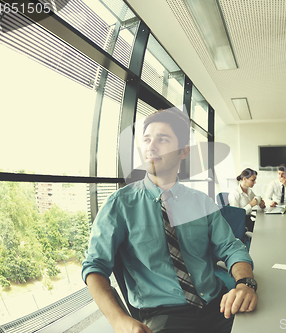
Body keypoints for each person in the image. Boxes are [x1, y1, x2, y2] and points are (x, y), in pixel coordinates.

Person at [82, 109, 257, 333]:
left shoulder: (200, 202)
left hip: (219, 303)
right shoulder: (120, 204)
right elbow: (94, 266)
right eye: (146, 139)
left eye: (162, 139)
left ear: (183, 151)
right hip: (163, 314)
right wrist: (118, 320)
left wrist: (245, 284)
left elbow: (231, 247)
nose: (151, 146)